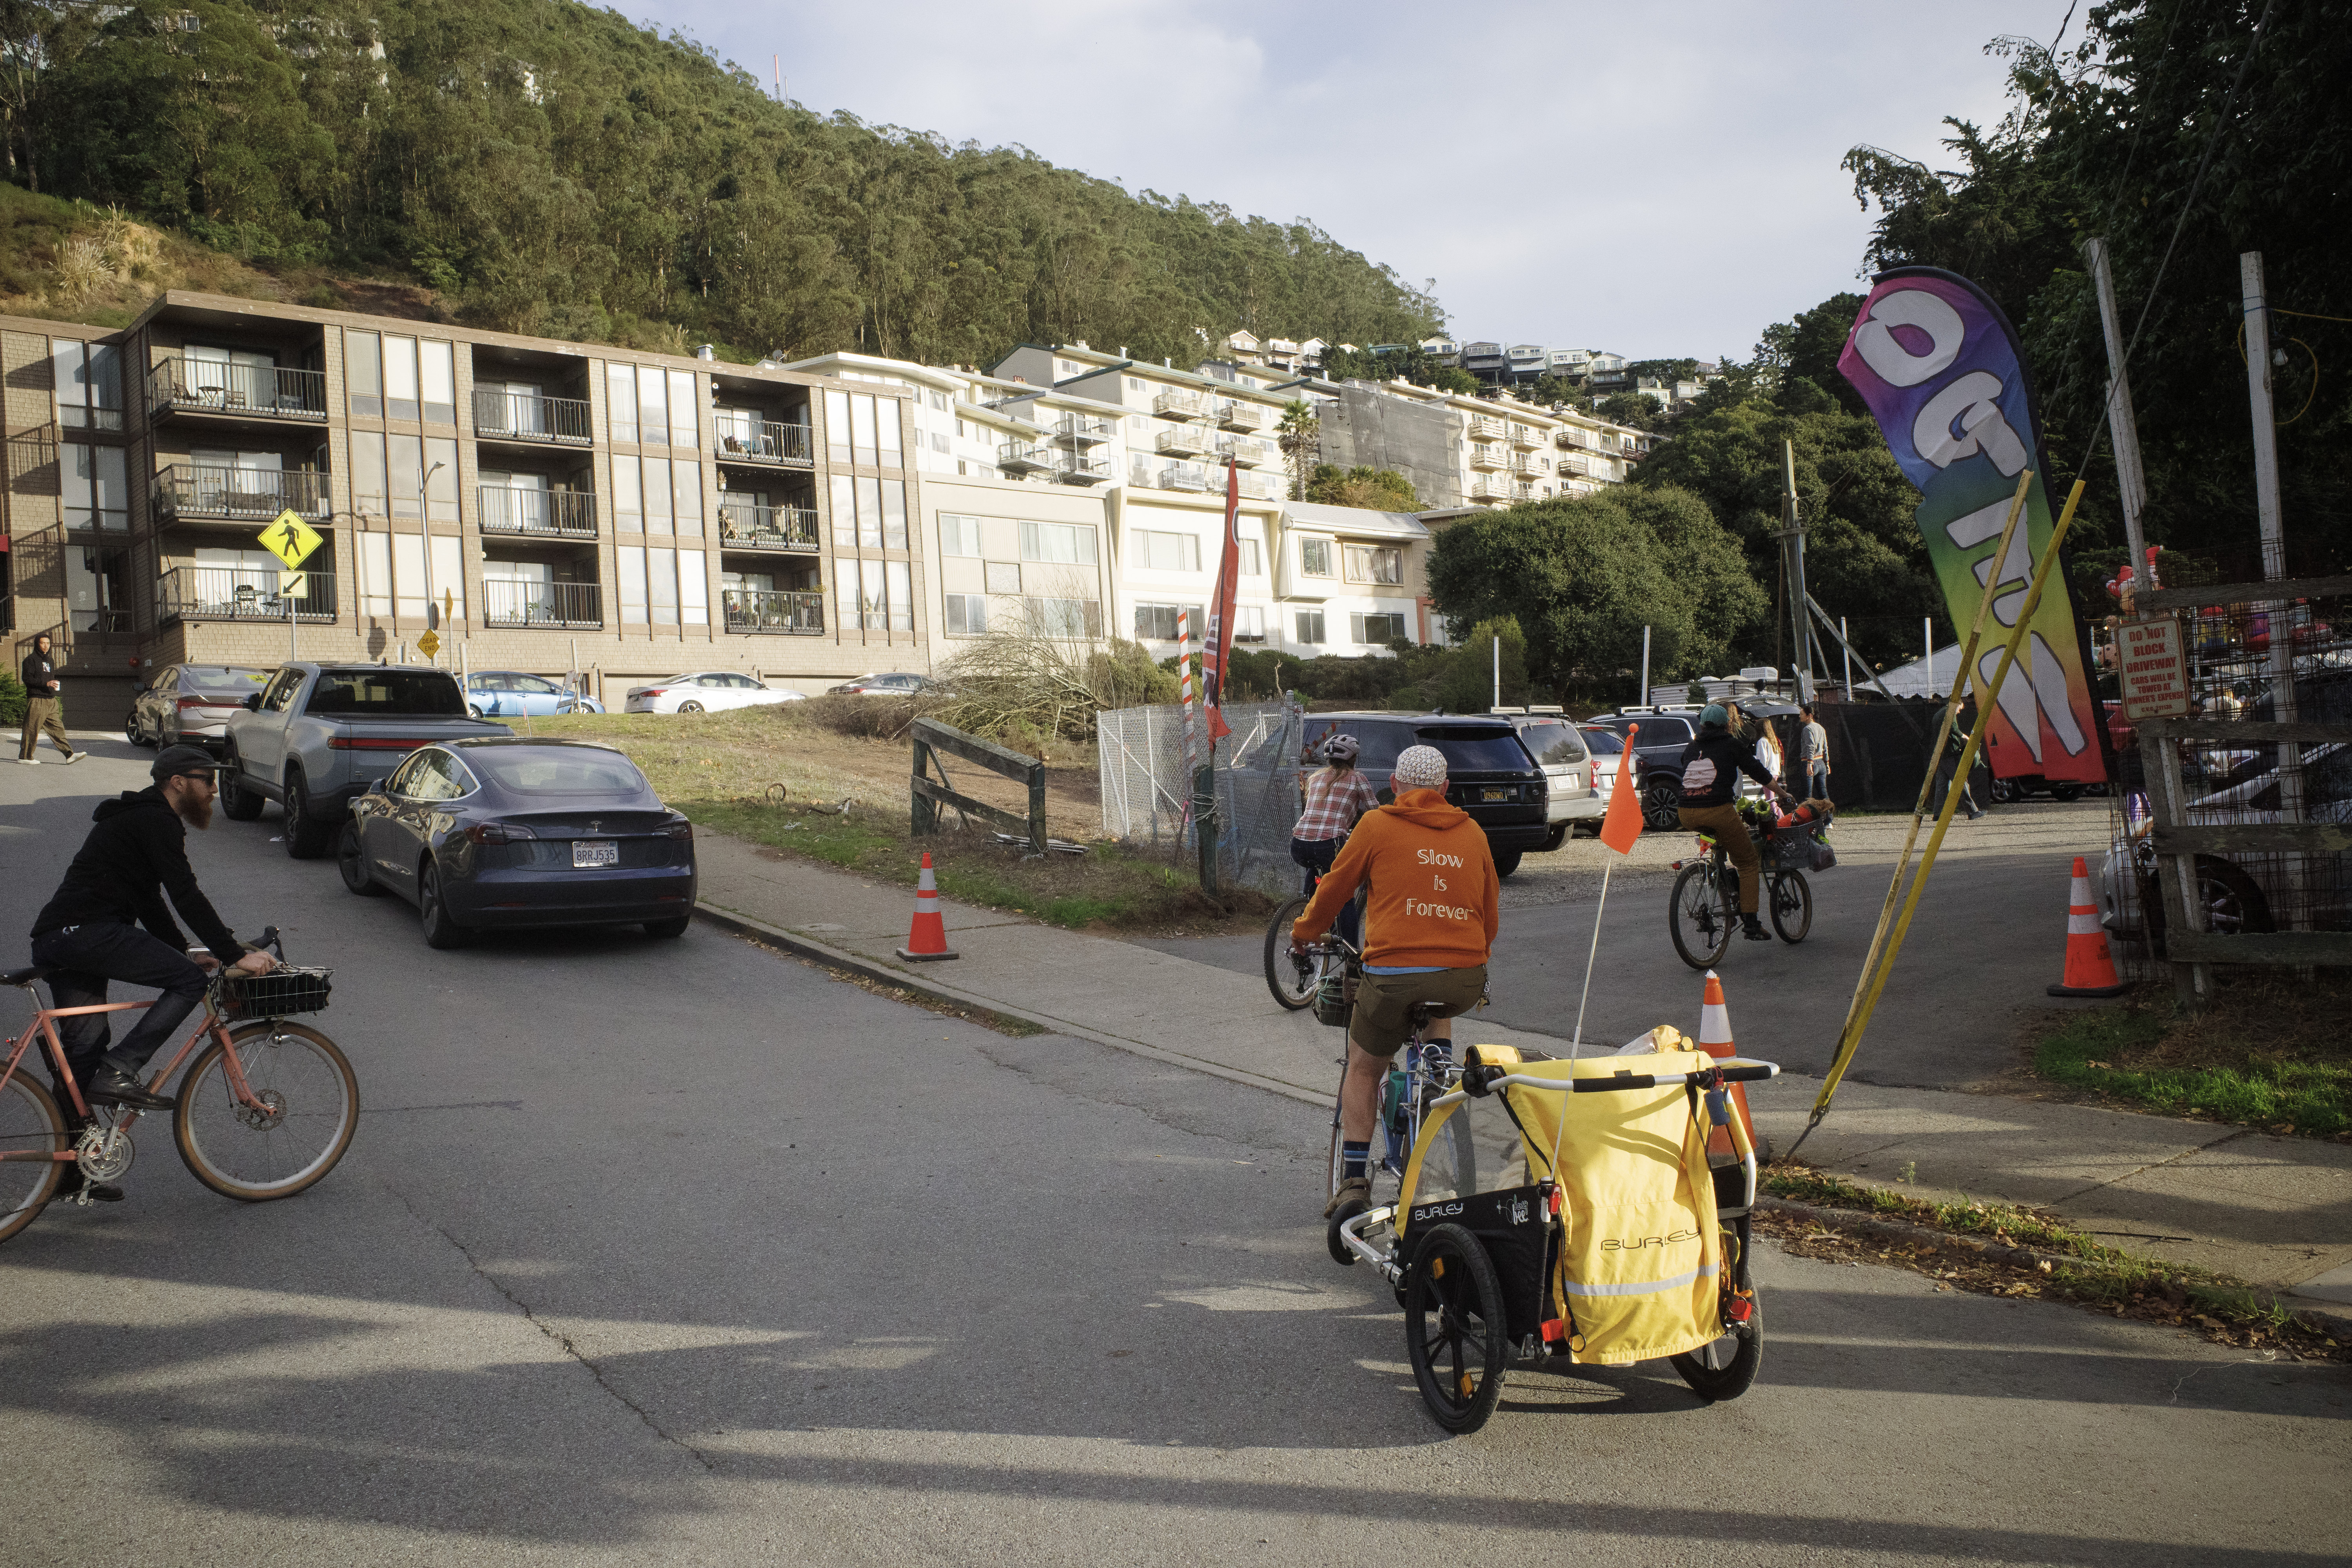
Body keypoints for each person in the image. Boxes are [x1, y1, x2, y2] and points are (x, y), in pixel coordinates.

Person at [28, 746, 276, 1200]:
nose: (214, 788)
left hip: (61, 937)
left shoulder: (137, 817)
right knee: (187, 983)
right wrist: (229, 953)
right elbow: (184, 891)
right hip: (86, 932)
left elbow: (148, 899)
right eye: (207, 779)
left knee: (83, 1054)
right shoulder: (156, 819)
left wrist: (183, 949)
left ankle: (70, 1169)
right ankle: (122, 1068)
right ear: (178, 781)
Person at [1292, 745, 1497, 1217]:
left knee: (1365, 1068)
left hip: (1392, 978)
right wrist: (1473, 954)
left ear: (1398, 787)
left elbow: (1336, 890)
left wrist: (1303, 934)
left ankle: (1355, 1183)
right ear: (1446, 790)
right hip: (1463, 976)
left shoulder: (1377, 825)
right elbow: (1490, 917)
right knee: (1438, 1012)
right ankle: (1438, 1084)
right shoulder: (1473, 833)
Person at [1675, 704, 1791, 942]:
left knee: (1722, 846)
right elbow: (1758, 772)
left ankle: (1723, 879)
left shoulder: (1691, 747)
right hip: (1718, 810)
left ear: (1702, 725)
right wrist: (1781, 793)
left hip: (1686, 813)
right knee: (1748, 862)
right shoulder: (1732, 744)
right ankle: (1751, 923)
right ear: (1728, 724)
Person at [1290, 733, 1379, 951]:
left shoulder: (1316, 777)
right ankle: (1352, 953)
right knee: (1344, 895)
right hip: (1329, 844)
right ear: (1352, 758)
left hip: (1299, 843)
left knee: (1318, 870)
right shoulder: (1359, 779)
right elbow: (1375, 814)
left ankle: (1312, 912)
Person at [18, 632, 84, 765]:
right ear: (37, 644)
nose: (46, 646)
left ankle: (69, 755)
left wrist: (53, 684)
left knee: (57, 728)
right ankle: (25, 757)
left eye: (48, 643)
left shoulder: (50, 660)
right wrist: (45, 684)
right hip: (37, 699)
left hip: (50, 700)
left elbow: (49, 678)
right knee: (32, 729)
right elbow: (27, 679)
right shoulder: (30, 660)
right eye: (43, 643)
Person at [1937, 694, 1986, 820]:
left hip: (1940, 753)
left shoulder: (1939, 713)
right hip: (1950, 753)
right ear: (1957, 704)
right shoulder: (1949, 712)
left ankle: (1939, 814)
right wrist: (1965, 738)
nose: (1959, 712)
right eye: (1960, 708)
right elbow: (1953, 729)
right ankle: (1973, 812)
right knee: (1961, 782)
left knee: (1942, 785)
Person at [1797, 702, 1831, 803]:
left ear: (1810, 716)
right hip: (1821, 763)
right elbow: (1825, 747)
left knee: (1807, 796)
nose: (1800, 716)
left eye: (1802, 714)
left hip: (1810, 763)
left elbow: (1811, 747)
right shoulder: (1821, 728)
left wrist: (1809, 764)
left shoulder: (1808, 729)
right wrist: (1827, 764)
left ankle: (1808, 817)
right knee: (1823, 794)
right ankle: (1829, 816)